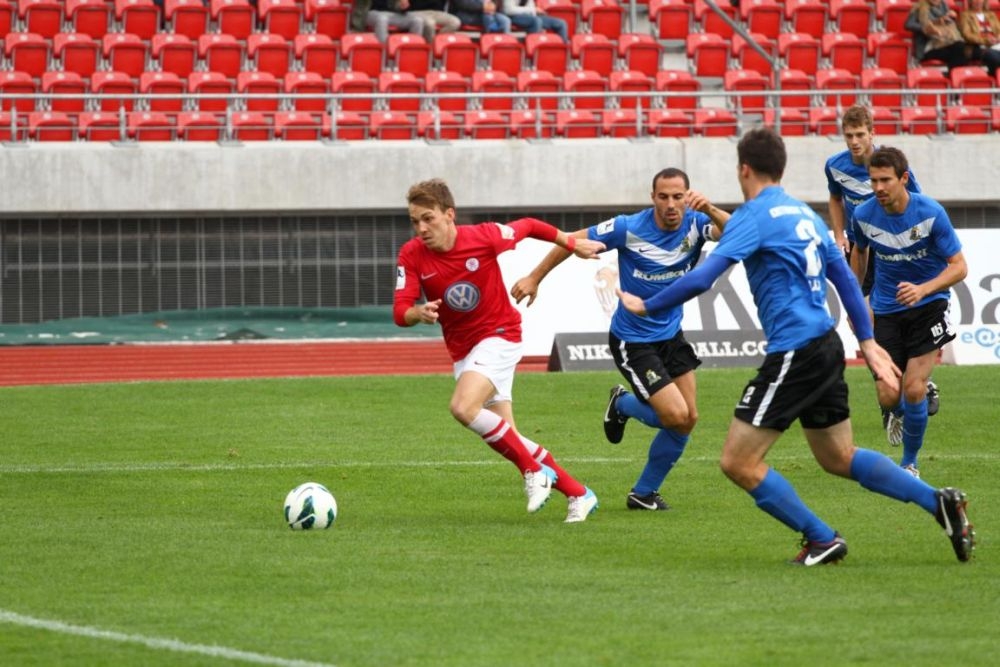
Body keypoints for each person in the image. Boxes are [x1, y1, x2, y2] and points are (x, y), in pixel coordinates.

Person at [617, 127, 974, 566]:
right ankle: (938, 501)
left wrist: (646, 303)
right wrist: (865, 339)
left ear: (743, 169)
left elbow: (701, 278)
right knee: (838, 456)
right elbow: (842, 276)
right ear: (781, 167)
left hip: (794, 351)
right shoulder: (804, 215)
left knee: (737, 462)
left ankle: (821, 538)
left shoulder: (752, 216)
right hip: (825, 344)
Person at [510, 168, 730, 512]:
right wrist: (535, 277)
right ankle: (622, 404)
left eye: (678, 197)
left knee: (688, 419)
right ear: (652, 197)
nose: (671, 204)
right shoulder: (629, 227)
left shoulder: (697, 223)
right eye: (663, 197)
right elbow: (571, 240)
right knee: (674, 415)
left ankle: (643, 494)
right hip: (634, 341)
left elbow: (737, 233)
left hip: (672, 335)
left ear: (688, 197)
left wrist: (712, 209)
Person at [393, 178, 604, 523]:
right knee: (510, 437)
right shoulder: (412, 253)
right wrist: (417, 313)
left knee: (462, 407)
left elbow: (530, 226)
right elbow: (400, 311)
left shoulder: (484, 236)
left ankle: (534, 472)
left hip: (500, 334)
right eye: (415, 221)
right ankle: (580, 494)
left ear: (449, 215)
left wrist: (570, 243)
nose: (421, 228)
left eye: (428, 218)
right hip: (464, 350)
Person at [849, 147, 968, 478]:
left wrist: (924, 289)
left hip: (929, 306)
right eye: (873, 180)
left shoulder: (930, 213)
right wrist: (857, 300)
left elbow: (959, 267)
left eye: (885, 180)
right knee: (889, 393)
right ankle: (895, 409)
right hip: (886, 309)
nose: (878, 188)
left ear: (903, 179)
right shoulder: (863, 215)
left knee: (913, 387)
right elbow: (859, 255)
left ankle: (909, 463)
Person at [823, 105, 940, 429]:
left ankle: (912, 384)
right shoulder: (835, 166)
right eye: (849, 135)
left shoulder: (892, 168)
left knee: (880, 316)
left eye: (860, 134)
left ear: (872, 133)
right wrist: (838, 234)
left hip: (891, 249)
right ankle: (894, 388)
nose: (854, 141)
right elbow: (834, 198)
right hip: (860, 248)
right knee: (859, 319)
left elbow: (916, 209)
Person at [907, 0, 983, 72]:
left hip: (946, 41)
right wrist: (926, 29)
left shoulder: (944, 5)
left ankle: (959, 76)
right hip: (930, 46)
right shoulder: (919, 7)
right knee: (959, 49)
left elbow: (948, 24)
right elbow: (908, 25)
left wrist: (949, 18)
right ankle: (956, 77)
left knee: (970, 48)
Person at [958, 0, 1000, 76]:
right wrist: (986, 40)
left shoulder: (991, 15)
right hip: (975, 47)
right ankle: (994, 77)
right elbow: (967, 35)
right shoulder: (965, 15)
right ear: (970, 2)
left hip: (995, 44)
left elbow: (998, 30)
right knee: (994, 57)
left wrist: (998, 38)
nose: (978, 2)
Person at [360, 0, 427, 44]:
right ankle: (386, 51)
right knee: (382, 19)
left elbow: (398, 7)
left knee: (417, 21)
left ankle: (411, 52)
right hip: (372, 13)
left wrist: (403, 6)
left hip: (393, 14)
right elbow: (360, 8)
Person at [501, 0, 570, 43]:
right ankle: (533, 50)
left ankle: (562, 53)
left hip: (530, 16)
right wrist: (532, 10)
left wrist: (536, 11)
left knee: (561, 23)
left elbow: (531, 7)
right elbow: (509, 10)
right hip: (512, 16)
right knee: (536, 21)